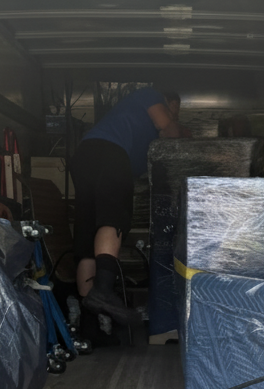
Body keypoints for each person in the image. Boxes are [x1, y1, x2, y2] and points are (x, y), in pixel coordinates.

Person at [70, 86, 182, 324]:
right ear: (168, 101)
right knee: (113, 218)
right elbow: (169, 130)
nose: (175, 117)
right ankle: (103, 290)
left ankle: (91, 325)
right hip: (109, 153)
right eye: (174, 110)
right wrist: (182, 140)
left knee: (88, 233)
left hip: (85, 157)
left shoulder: (141, 140)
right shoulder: (150, 95)